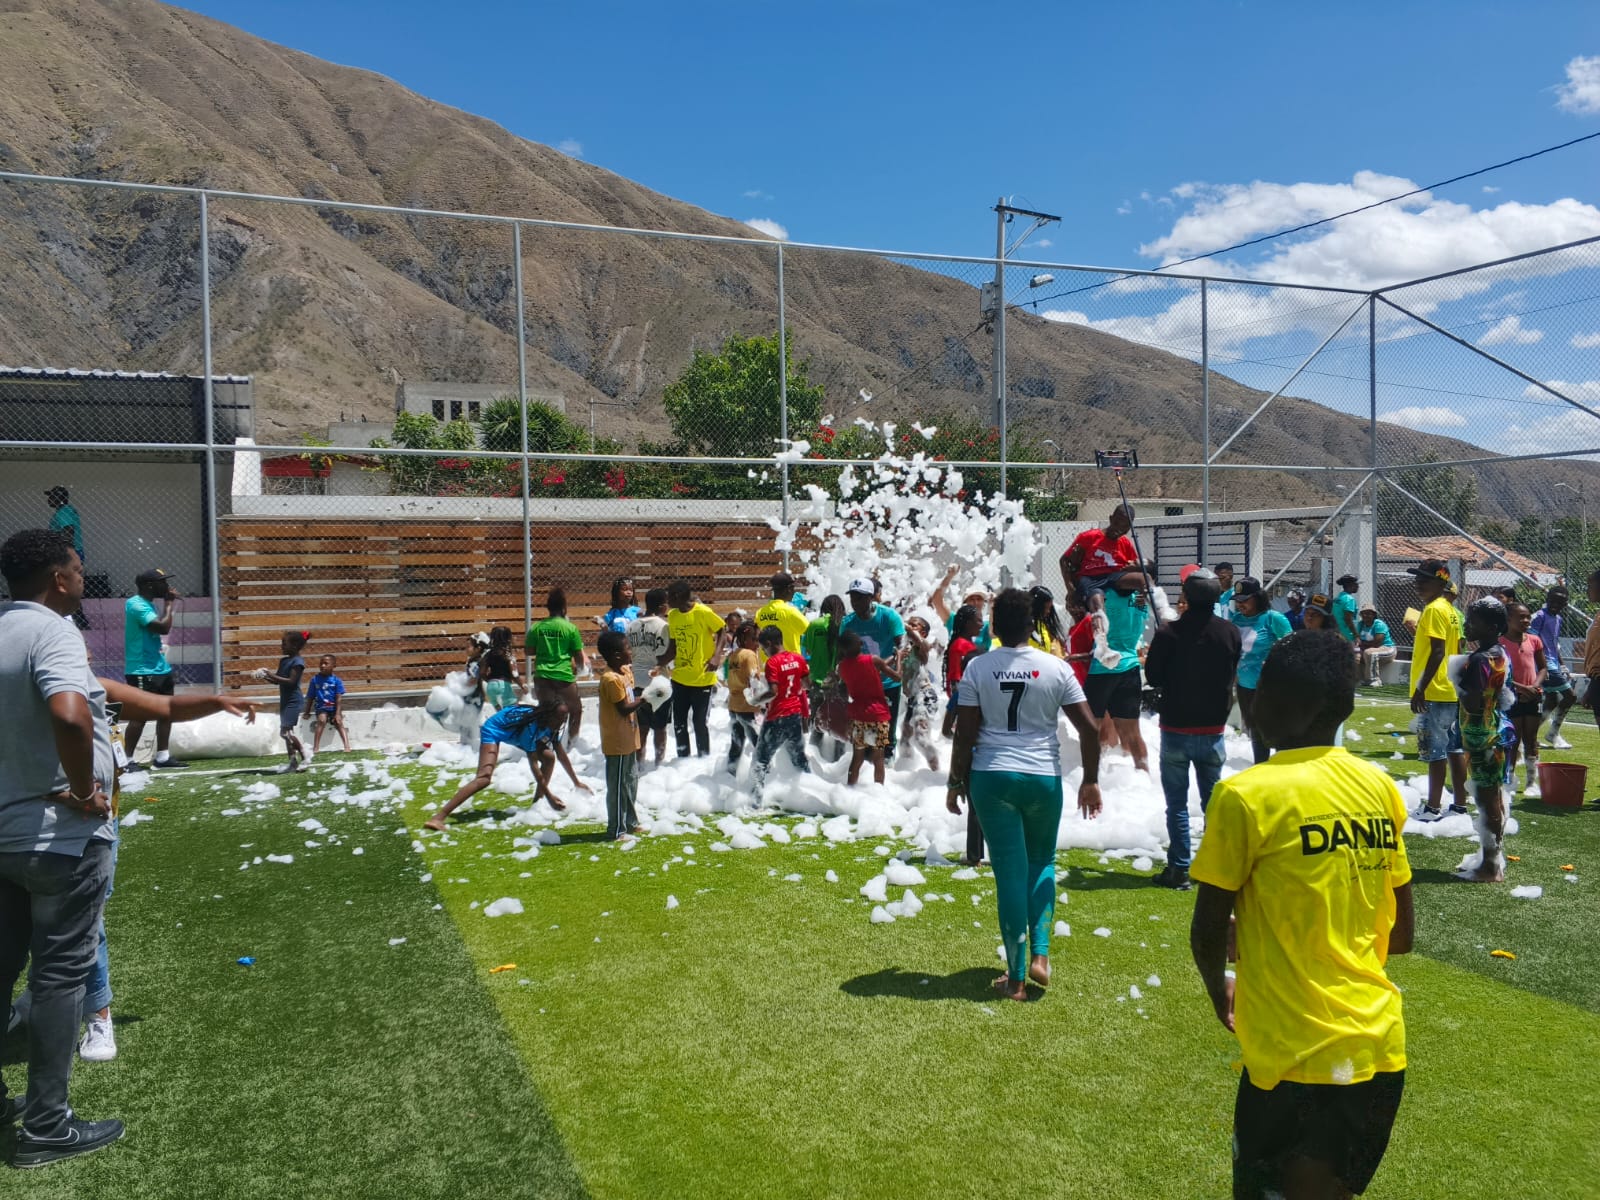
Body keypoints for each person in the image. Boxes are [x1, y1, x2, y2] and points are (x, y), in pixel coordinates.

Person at [1190, 630, 1414, 1200]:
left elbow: (1207, 929)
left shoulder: (1246, 795)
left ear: (1309, 706)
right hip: (1378, 1048)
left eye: (1266, 690)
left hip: (1296, 1058)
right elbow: (1400, 933)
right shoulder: (1378, 786)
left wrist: (1220, 989)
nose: (1252, 702)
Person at [0, 528, 124, 1165]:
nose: (82, 579)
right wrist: (83, 790)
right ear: (57, 578)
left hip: (3, 837)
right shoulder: (53, 631)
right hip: (58, 841)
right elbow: (71, 714)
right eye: (77, 568)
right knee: (59, 979)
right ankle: (48, 1126)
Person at [946, 587, 1103, 1002]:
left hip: (992, 777)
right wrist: (1090, 780)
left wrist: (955, 781)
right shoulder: (1056, 668)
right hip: (1042, 778)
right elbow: (1090, 729)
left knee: (1010, 873)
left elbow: (965, 734)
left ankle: (1016, 980)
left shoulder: (979, 667)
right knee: (1043, 862)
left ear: (995, 626)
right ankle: (1041, 956)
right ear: (1033, 625)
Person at [1144, 571, 1241, 890]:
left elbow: (1154, 677)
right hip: (1213, 728)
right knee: (1213, 804)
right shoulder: (1229, 631)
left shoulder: (1169, 632)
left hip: (1176, 726)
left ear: (1186, 595)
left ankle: (1179, 868)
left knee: (1177, 804)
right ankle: (1214, 867)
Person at [423, 701, 589, 830]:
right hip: (495, 729)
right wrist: (550, 796)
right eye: (558, 719)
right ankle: (439, 817)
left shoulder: (552, 725)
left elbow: (561, 754)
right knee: (484, 778)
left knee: (549, 758)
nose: (560, 723)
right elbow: (533, 766)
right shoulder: (532, 728)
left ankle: (536, 806)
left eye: (564, 719)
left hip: (516, 732)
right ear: (548, 716)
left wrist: (577, 782)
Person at [1407, 560, 1469, 820]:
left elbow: (1438, 651)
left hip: (1434, 690)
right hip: (1450, 689)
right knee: (1454, 750)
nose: (1418, 584)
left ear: (1440, 583)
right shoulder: (1451, 611)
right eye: (1417, 578)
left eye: (1424, 579)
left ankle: (1433, 807)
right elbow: (1459, 648)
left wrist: (1420, 688)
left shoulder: (1433, 610)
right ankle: (1459, 805)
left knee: (1435, 752)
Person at [1457, 598, 1511, 883]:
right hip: (1495, 730)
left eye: (1473, 621)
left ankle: (1490, 867)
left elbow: (1473, 702)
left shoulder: (1479, 659)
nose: (1467, 625)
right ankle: (1491, 860)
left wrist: (1458, 679)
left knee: (1487, 800)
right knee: (1494, 798)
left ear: (1491, 627)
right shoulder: (1500, 653)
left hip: (1480, 736)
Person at [122, 567, 186, 769]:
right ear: (149, 585)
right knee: (139, 716)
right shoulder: (135, 604)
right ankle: (126, 760)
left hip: (160, 668)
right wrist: (169, 603)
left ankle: (162, 757)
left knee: (166, 712)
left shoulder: (148, 604)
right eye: (162, 582)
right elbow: (163, 627)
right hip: (142, 670)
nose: (167, 586)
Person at [1084, 569, 1148, 772]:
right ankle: (1145, 775)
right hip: (1130, 666)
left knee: (1092, 729)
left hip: (1102, 667)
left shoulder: (1104, 595)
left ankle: (1091, 777)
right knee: (1133, 733)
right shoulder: (1139, 600)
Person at [658, 580, 725, 759]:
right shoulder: (673, 616)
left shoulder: (703, 612)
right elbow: (673, 646)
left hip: (702, 678)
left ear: (678, 597)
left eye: (669, 597)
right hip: (680, 678)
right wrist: (658, 662)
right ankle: (683, 760)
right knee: (679, 723)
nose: (667, 601)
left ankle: (703, 759)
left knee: (699, 722)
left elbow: (722, 630)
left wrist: (716, 655)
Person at [1230, 578, 1293, 766]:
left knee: (1274, 730)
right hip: (1245, 686)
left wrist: (1275, 662)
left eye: (1245, 600)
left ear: (1258, 598)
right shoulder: (1236, 620)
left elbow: (1292, 648)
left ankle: (1282, 766)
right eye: (1237, 600)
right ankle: (1261, 765)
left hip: (1269, 687)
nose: (1240, 604)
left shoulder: (1273, 618)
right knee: (1255, 731)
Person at [840, 577, 905, 758]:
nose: (855, 602)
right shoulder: (848, 623)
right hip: (862, 686)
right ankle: (866, 767)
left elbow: (901, 645)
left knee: (887, 730)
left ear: (871, 597)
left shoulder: (888, 616)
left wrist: (884, 664)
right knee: (864, 731)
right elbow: (843, 653)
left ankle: (887, 760)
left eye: (860, 598)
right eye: (853, 597)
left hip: (887, 682)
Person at [752, 624, 811, 804]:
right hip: (795, 715)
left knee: (761, 759)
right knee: (799, 759)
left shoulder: (772, 663)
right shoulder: (798, 658)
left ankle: (755, 801)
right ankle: (810, 794)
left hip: (776, 717)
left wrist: (755, 700)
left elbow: (773, 692)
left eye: (763, 648)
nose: (764, 652)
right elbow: (807, 685)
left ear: (769, 644)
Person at [595, 631, 644, 840]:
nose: (630, 651)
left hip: (629, 736)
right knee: (618, 786)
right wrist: (646, 698)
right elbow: (623, 709)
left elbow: (631, 698)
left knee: (631, 781)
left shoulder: (624, 672)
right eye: (627, 648)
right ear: (616, 655)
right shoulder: (611, 679)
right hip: (617, 740)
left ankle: (631, 822)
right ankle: (616, 829)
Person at [835, 630, 900, 785]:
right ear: (860, 644)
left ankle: (850, 789)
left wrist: (892, 658)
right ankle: (878, 791)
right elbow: (897, 677)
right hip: (877, 714)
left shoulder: (842, 667)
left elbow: (872, 667)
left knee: (857, 758)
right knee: (878, 758)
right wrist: (899, 659)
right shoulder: (873, 659)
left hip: (858, 715)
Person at [526, 588, 585, 746]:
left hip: (542, 676)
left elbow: (528, 651)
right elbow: (578, 656)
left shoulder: (537, 627)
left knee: (545, 711)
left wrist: (545, 648)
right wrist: (580, 669)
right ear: (564, 608)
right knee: (575, 709)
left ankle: (541, 744)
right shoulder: (570, 628)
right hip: (563, 676)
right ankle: (572, 744)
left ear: (548, 607)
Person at [247, 631, 312, 773]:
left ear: (294, 646)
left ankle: (305, 755)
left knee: (285, 733)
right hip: (285, 700)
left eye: (284, 643)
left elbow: (291, 681)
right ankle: (293, 763)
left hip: (294, 700)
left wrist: (269, 673)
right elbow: (278, 681)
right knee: (286, 732)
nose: (281, 646)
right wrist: (264, 676)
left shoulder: (298, 662)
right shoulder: (284, 661)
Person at [1499, 600, 1547, 795]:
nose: (1526, 620)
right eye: (1521, 617)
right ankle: (1508, 778)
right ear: (1508, 619)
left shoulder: (1534, 640)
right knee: (1513, 739)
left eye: (1528, 617)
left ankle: (1531, 781)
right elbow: (1499, 674)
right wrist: (1521, 688)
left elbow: (1542, 668)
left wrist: (1534, 687)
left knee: (1531, 739)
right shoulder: (1500, 643)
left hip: (1533, 696)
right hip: (1512, 697)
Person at [1058, 503, 1137, 615]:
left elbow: (1134, 567)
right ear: (1111, 519)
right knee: (1093, 600)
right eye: (1117, 523)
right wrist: (1070, 589)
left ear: (1130, 527)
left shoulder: (1126, 544)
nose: (1119, 528)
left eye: (1125, 526)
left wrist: (1141, 593)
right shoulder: (1089, 537)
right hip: (1091, 584)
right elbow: (1064, 561)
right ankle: (1100, 622)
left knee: (1143, 578)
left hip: (1116, 588)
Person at [625, 589, 673, 767]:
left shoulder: (631, 626)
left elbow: (628, 653)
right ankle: (659, 765)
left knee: (641, 728)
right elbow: (668, 655)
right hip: (659, 683)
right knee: (660, 728)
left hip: (637, 682)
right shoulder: (664, 626)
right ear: (662, 606)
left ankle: (639, 765)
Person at [1531, 586, 1577, 749]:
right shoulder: (1539, 616)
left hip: (1553, 663)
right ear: (1547, 599)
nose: (1555, 605)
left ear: (1565, 604)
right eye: (1552, 600)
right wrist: (1541, 667)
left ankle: (1530, 735)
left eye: (1560, 602)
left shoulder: (1558, 619)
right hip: (1544, 664)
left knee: (1552, 700)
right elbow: (1531, 641)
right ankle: (1553, 733)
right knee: (1570, 696)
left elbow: (1554, 645)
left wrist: (1562, 665)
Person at [896, 616, 943, 770]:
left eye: (914, 625)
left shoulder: (922, 647)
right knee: (904, 741)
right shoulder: (904, 647)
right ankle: (906, 775)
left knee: (921, 739)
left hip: (924, 696)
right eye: (908, 623)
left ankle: (936, 772)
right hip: (912, 698)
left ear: (923, 633)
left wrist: (905, 626)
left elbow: (922, 645)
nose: (909, 626)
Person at [802, 594, 846, 751]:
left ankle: (815, 758)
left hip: (818, 681)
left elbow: (807, 650)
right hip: (840, 683)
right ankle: (839, 759)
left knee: (817, 723)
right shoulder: (845, 625)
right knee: (840, 725)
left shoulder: (815, 625)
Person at [724, 621, 761, 774]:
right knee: (759, 744)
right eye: (755, 639)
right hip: (747, 706)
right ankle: (764, 776)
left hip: (733, 705)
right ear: (746, 639)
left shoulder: (733, 655)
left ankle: (730, 773)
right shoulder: (750, 655)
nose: (758, 644)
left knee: (736, 743)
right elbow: (754, 680)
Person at [931, 565, 991, 648]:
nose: (975, 602)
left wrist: (993, 605)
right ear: (965, 603)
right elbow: (936, 600)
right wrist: (949, 576)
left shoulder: (987, 625)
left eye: (979, 599)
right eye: (971, 599)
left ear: (984, 603)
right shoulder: (954, 620)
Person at [755, 572, 810, 655]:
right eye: (793, 588)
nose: (794, 592)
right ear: (788, 589)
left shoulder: (760, 613)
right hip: (789, 661)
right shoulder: (790, 612)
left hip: (767, 662)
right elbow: (810, 632)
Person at [307, 654, 350, 753]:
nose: (322, 666)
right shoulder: (315, 680)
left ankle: (347, 746)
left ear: (333, 666)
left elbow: (338, 698)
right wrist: (307, 712)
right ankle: (316, 747)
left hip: (334, 707)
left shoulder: (337, 680)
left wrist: (338, 713)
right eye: (321, 663)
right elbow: (310, 697)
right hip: (321, 707)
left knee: (339, 722)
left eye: (326, 663)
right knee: (322, 720)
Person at [480, 627, 521, 712]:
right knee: (512, 711)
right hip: (503, 686)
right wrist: (522, 686)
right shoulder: (507, 654)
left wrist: (491, 681)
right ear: (508, 639)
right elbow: (514, 673)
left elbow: (482, 672)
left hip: (491, 686)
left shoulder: (488, 654)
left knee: (500, 713)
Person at [1357, 604, 1397, 687]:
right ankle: (1359, 679)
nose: (1365, 615)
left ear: (1374, 615)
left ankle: (1374, 680)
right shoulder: (1360, 624)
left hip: (1387, 648)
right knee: (1354, 654)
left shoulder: (1379, 624)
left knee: (1369, 653)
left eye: (1368, 613)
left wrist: (1362, 644)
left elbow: (1377, 642)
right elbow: (1357, 639)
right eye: (1363, 613)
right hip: (1368, 648)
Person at [45, 486, 84, 563]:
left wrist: (66, 552)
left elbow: (69, 530)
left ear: (59, 498)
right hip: (75, 551)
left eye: (52, 496)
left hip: (68, 553)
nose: (49, 499)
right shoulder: (67, 509)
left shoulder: (63, 512)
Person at [1333, 574, 1361, 643]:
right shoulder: (1349, 599)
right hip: (1348, 636)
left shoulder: (1337, 598)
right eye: (1356, 584)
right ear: (1350, 585)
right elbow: (1348, 619)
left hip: (1338, 634)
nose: (1358, 586)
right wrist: (1356, 635)